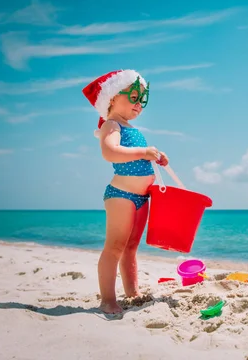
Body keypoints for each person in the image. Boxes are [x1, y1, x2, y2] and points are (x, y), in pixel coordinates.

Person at [82, 70, 169, 314]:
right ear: (111, 98)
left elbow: (139, 155)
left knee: (131, 248)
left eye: (141, 100)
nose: (138, 105)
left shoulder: (131, 128)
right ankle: (108, 300)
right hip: (121, 195)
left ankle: (132, 292)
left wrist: (156, 157)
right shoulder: (112, 125)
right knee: (115, 247)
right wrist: (144, 153)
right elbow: (110, 152)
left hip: (141, 197)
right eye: (132, 97)